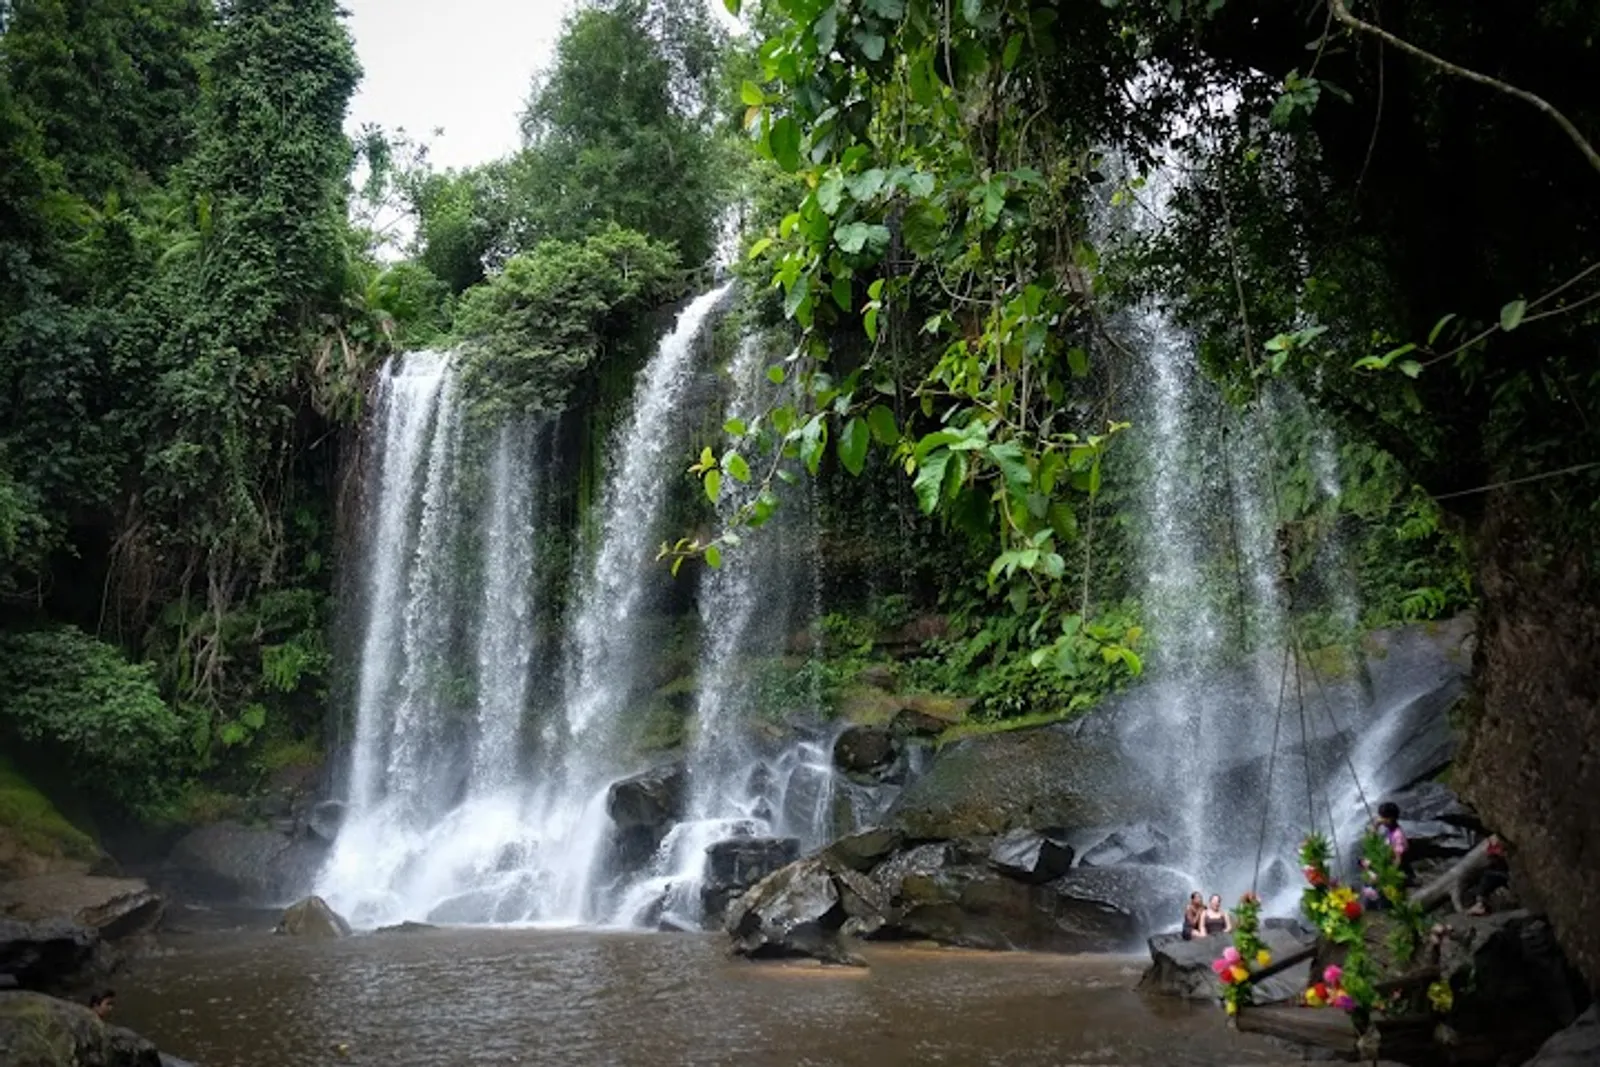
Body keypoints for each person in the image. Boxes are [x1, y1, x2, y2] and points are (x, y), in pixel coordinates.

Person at [1467, 835, 1511, 915]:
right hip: (1498, 871)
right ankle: (1481, 904)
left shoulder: (1501, 843)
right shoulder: (1491, 842)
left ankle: (1480, 905)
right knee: (1484, 878)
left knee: (1486, 879)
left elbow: (1500, 854)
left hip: (1505, 872)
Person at [1373, 801, 1413, 881]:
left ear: (1390, 818)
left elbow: (1398, 860)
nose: (1380, 819)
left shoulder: (1397, 835)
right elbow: (1373, 838)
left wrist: (1387, 875)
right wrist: (1376, 826)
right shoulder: (1390, 830)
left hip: (1401, 874)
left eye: (1382, 817)